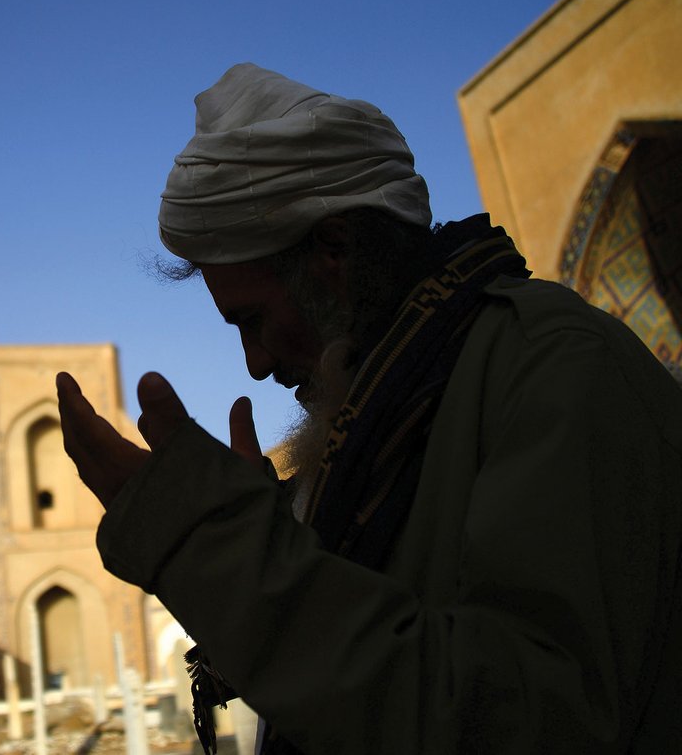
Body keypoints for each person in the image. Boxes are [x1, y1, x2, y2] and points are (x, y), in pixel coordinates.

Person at [57, 63, 682, 753]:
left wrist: (218, 550)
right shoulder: (388, 418)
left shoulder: (552, 368)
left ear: (335, 250)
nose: (255, 364)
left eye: (253, 320)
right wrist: (275, 544)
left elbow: (527, 720)